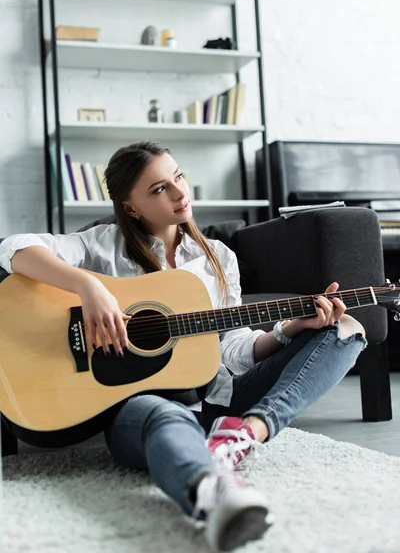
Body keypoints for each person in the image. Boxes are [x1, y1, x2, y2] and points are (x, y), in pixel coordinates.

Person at [0, 140, 367, 551]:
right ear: (131, 206)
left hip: (219, 396)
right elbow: (13, 247)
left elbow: (232, 348)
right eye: (159, 189)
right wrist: (89, 286)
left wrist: (289, 330)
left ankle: (247, 432)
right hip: (138, 407)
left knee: (346, 329)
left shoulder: (218, 258)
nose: (179, 193)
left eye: (178, 177)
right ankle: (212, 492)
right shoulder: (101, 247)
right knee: (160, 412)